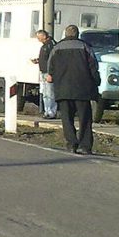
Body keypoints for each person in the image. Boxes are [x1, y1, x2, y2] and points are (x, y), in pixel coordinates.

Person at [46, 24, 101, 154]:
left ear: (65, 34)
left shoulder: (56, 48)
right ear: (77, 34)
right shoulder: (85, 47)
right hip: (83, 89)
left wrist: (53, 78)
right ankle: (85, 145)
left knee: (67, 118)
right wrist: (96, 82)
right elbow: (94, 67)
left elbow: (50, 71)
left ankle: (71, 143)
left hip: (63, 89)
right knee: (85, 119)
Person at [31, 29, 57, 118]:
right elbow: (45, 59)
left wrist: (50, 73)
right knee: (45, 93)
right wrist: (38, 61)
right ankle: (47, 111)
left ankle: (51, 112)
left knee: (50, 93)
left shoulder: (50, 45)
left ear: (44, 36)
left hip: (48, 72)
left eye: (39, 37)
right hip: (43, 72)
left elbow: (52, 60)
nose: (38, 39)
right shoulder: (45, 46)